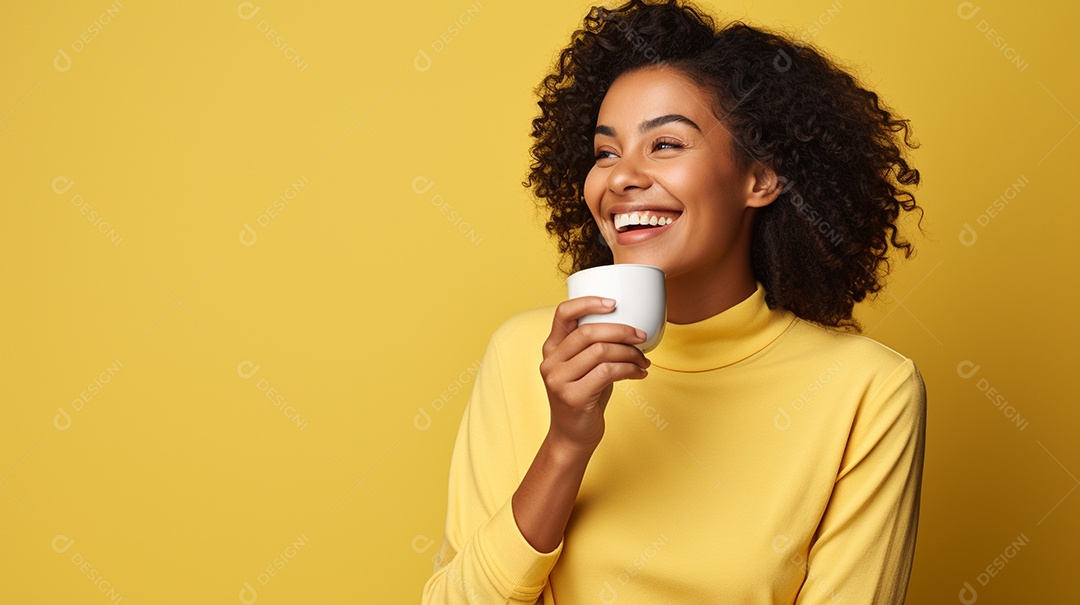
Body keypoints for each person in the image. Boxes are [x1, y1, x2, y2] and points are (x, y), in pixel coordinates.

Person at [422, 0, 926, 602]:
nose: (621, 177)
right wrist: (565, 444)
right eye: (606, 152)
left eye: (664, 144)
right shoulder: (523, 355)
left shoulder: (869, 391)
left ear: (760, 179)